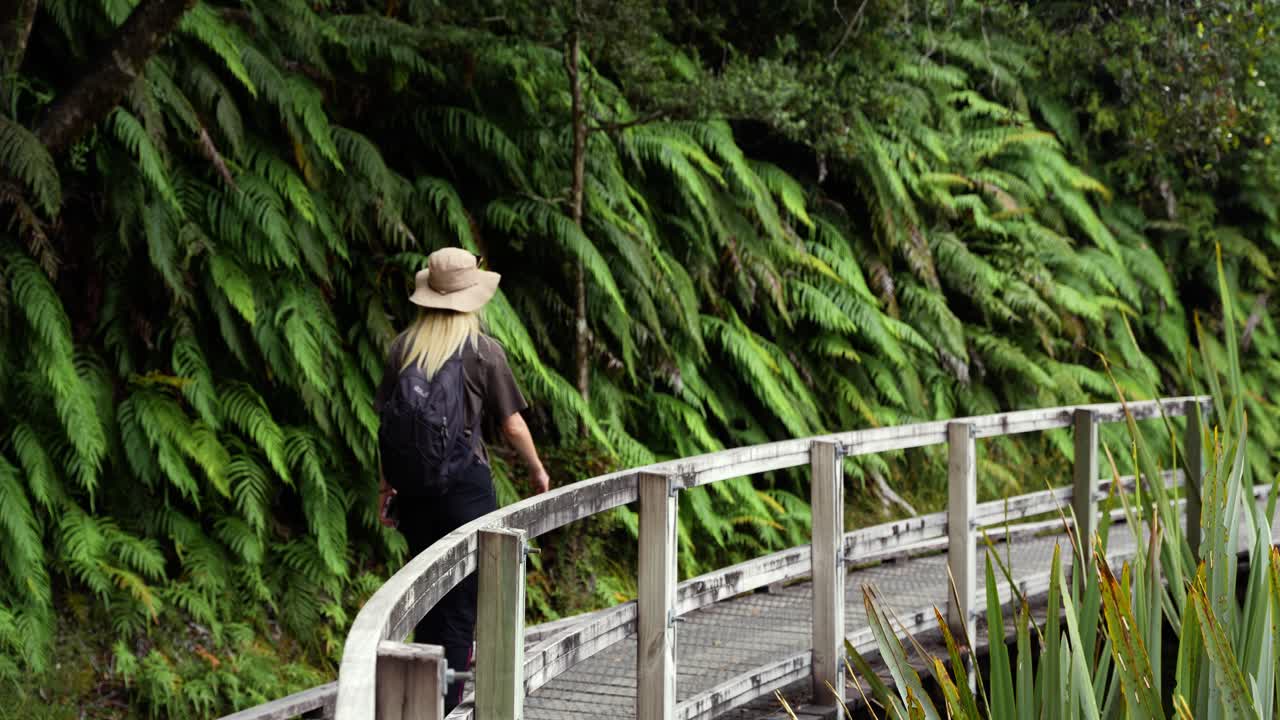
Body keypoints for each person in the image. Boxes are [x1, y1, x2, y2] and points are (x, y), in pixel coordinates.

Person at [374, 247, 550, 712]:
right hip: (466, 492)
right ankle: (447, 709)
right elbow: (512, 425)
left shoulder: (402, 348)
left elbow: (389, 427)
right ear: (472, 297)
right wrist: (537, 470)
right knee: (459, 610)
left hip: (414, 496)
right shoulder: (483, 351)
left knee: (427, 601)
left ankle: (419, 705)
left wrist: (387, 489)